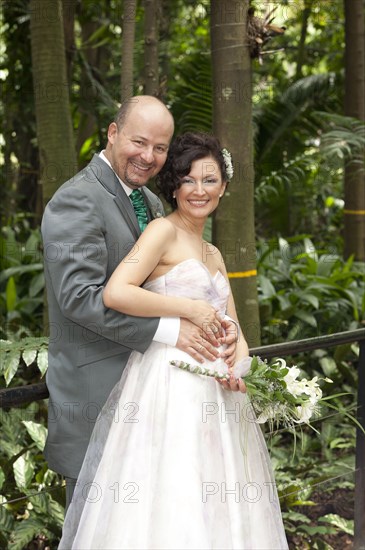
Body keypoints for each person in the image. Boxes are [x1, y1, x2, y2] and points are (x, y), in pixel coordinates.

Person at [58, 132, 288, 549]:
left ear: (224, 186)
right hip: (167, 385)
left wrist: (239, 369)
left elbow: (236, 333)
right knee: (170, 494)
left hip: (218, 400)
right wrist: (188, 310)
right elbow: (116, 292)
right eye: (188, 180)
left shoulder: (215, 253)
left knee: (218, 497)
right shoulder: (161, 232)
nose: (199, 190)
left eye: (209, 180)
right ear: (174, 185)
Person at [41, 96, 240, 509]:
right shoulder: (77, 198)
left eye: (160, 148)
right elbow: (80, 299)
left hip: (160, 402)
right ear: (113, 134)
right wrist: (172, 329)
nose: (148, 156)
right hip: (97, 399)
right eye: (139, 141)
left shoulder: (149, 202)